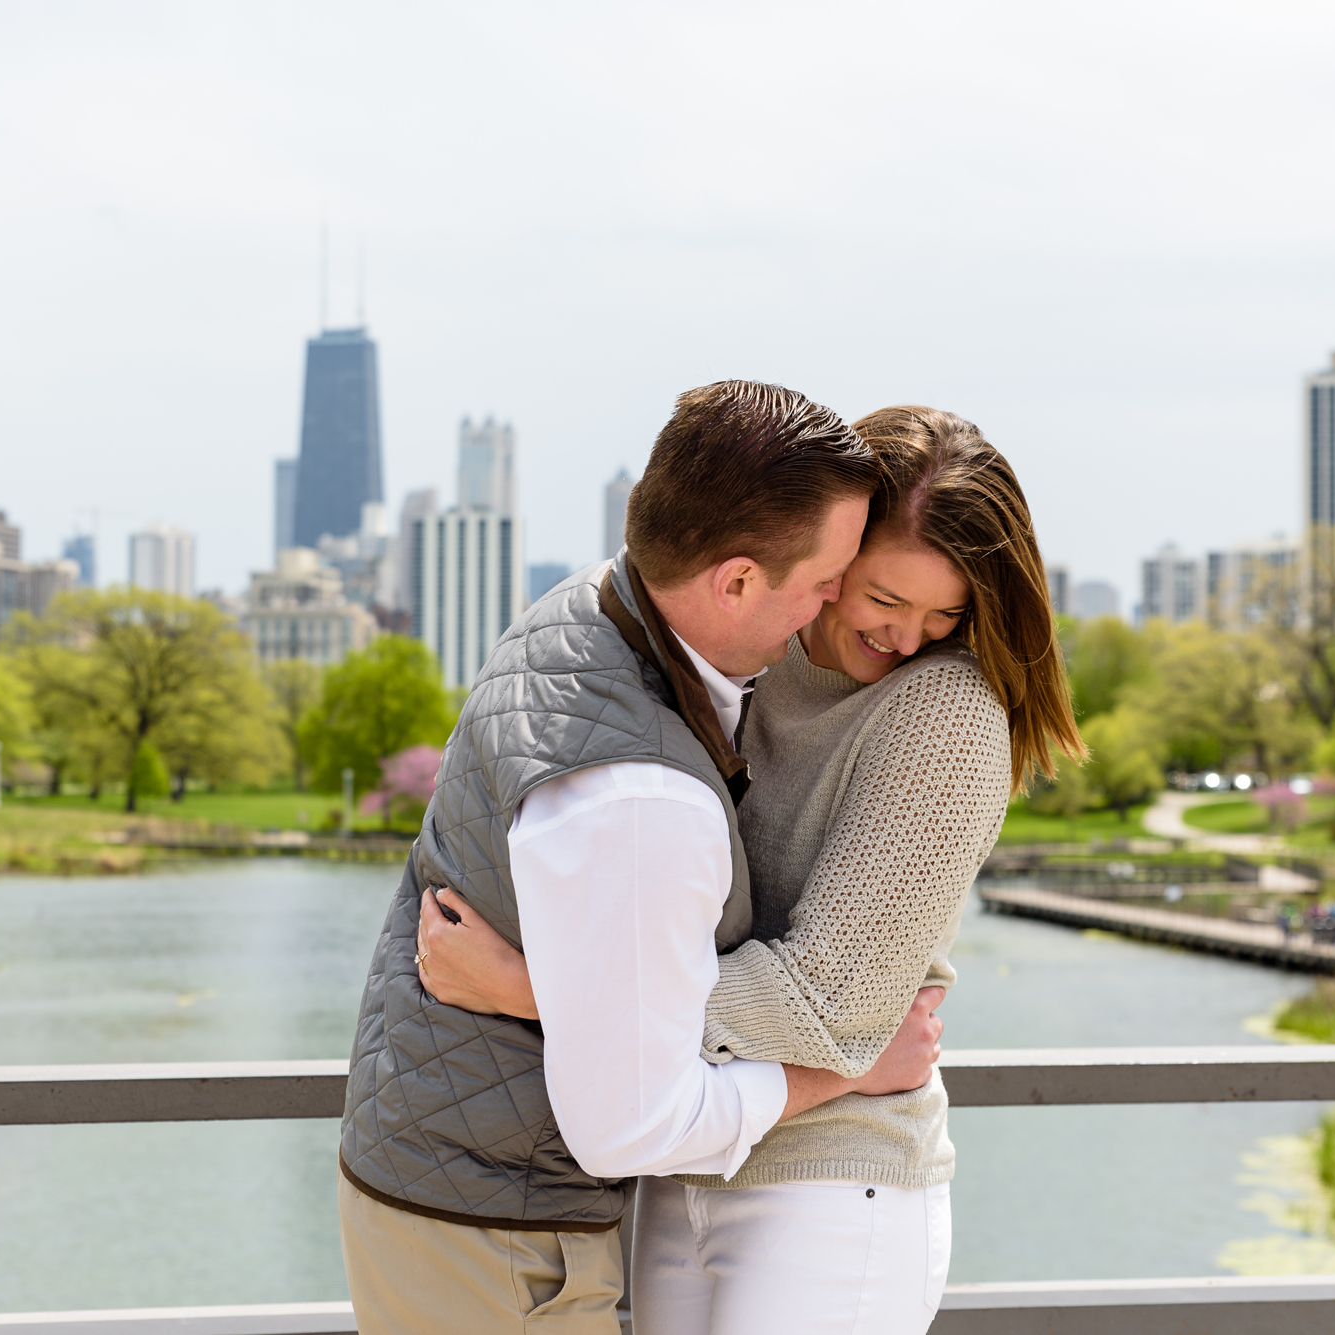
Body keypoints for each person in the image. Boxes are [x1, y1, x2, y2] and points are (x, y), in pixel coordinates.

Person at [417, 406, 1083, 1334]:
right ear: (832, 551)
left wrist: (536, 992)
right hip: (681, 1158)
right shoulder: (745, 662)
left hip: (834, 1181)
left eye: (946, 614)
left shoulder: (947, 714)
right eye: (884, 600)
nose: (906, 637)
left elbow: (829, 1005)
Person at [337, 381, 947, 1335]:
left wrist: (533, 988)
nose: (832, 607)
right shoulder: (642, 797)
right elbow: (632, 1122)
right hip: (502, 1242)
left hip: (437, 1184)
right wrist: (844, 1071)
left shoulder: (588, 608)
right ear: (737, 579)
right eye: (829, 580)